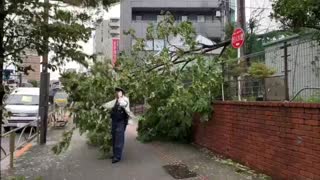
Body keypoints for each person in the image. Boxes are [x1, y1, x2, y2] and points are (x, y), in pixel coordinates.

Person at [102, 87, 133, 163]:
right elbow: (108, 105)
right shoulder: (115, 100)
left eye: (118, 92)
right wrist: (103, 106)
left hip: (121, 121)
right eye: (116, 92)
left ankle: (117, 157)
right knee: (114, 138)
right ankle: (115, 154)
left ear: (122, 92)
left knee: (119, 138)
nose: (116, 93)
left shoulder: (125, 99)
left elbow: (124, 104)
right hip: (114, 121)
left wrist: (119, 98)